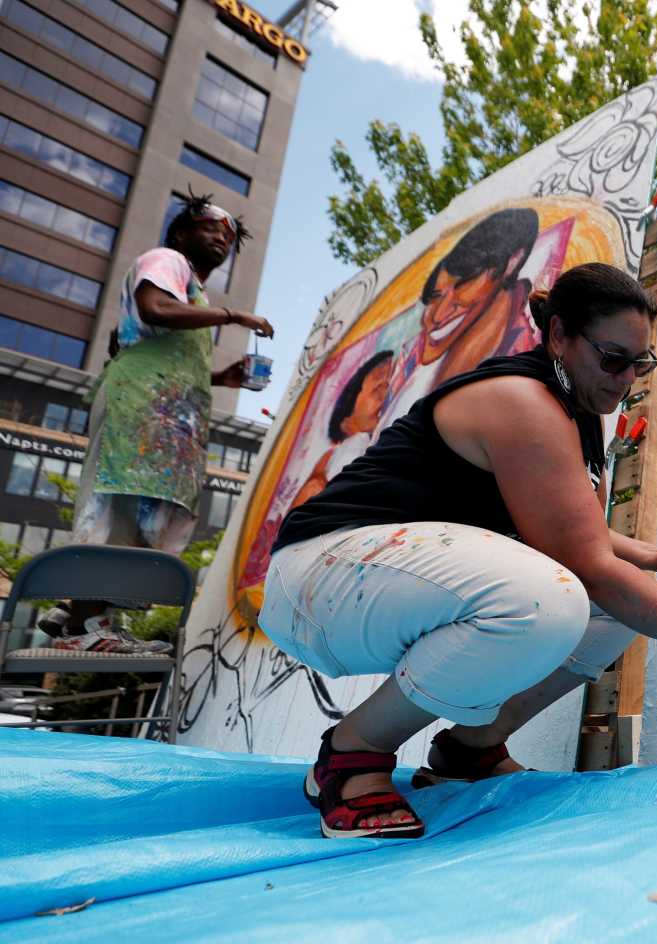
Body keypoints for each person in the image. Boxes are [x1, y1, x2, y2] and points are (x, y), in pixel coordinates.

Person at [260, 262, 657, 839]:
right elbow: (588, 566)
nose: (624, 379)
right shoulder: (525, 402)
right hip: (318, 577)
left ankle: (470, 750)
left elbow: (570, 532)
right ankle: (352, 753)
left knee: (608, 610)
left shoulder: (577, 410)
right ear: (559, 337)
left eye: (638, 363)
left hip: (377, 583)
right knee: (554, 598)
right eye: (612, 358)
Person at [45, 194, 274, 652]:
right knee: (120, 507)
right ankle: (87, 625)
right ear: (181, 232)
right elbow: (155, 309)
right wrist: (233, 316)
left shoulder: (193, 290)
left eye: (228, 236)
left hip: (162, 417)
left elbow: (156, 341)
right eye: (210, 226)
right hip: (141, 411)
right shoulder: (167, 260)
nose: (221, 237)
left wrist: (219, 376)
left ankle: (83, 615)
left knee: (142, 518)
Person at [381, 208, 540, 424]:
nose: (437, 315)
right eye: (436, 296)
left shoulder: (518, 358)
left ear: (512, 264)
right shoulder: (408, 360)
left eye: (462, 286)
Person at [289, 350, 394, 509]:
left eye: (388, 385)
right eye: (377, 389)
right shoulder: (348, 451)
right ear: (346, 419)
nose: (385, 395)